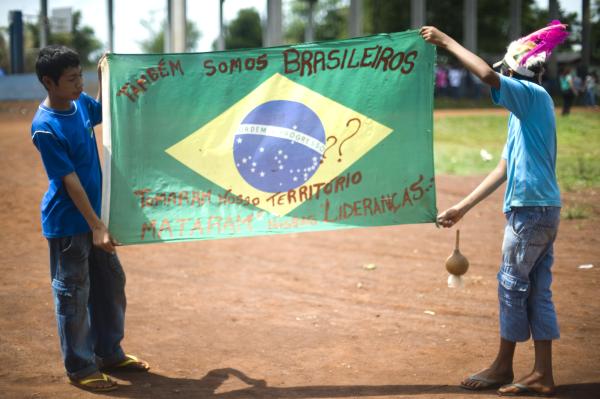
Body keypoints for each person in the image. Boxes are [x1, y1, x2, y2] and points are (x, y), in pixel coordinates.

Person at [421, 20, 568, 397]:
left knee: (511, 286)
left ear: (514, 72)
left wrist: (445, 40)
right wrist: (463, 206)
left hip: (531, 212)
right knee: (536, 291)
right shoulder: (525, 113)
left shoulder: (531, 97)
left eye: (505, 70)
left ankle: (503, 366)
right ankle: (542, 374)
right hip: (541, 210)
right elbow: (503, 168)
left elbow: (485, 74)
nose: (500, 75)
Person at [31, 45, 149, 392]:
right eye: (71, 79)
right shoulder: (45, 127)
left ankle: (109, 352)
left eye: (79, 75)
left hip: (96, 217)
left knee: (111, 283)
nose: (78, 84)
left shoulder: (79, 102)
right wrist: (96, 225)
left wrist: (102, 76)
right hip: (70, 223)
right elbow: (69, 183)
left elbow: (101, 113)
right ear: (48, 82)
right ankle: (81, 367)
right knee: (73, 293)